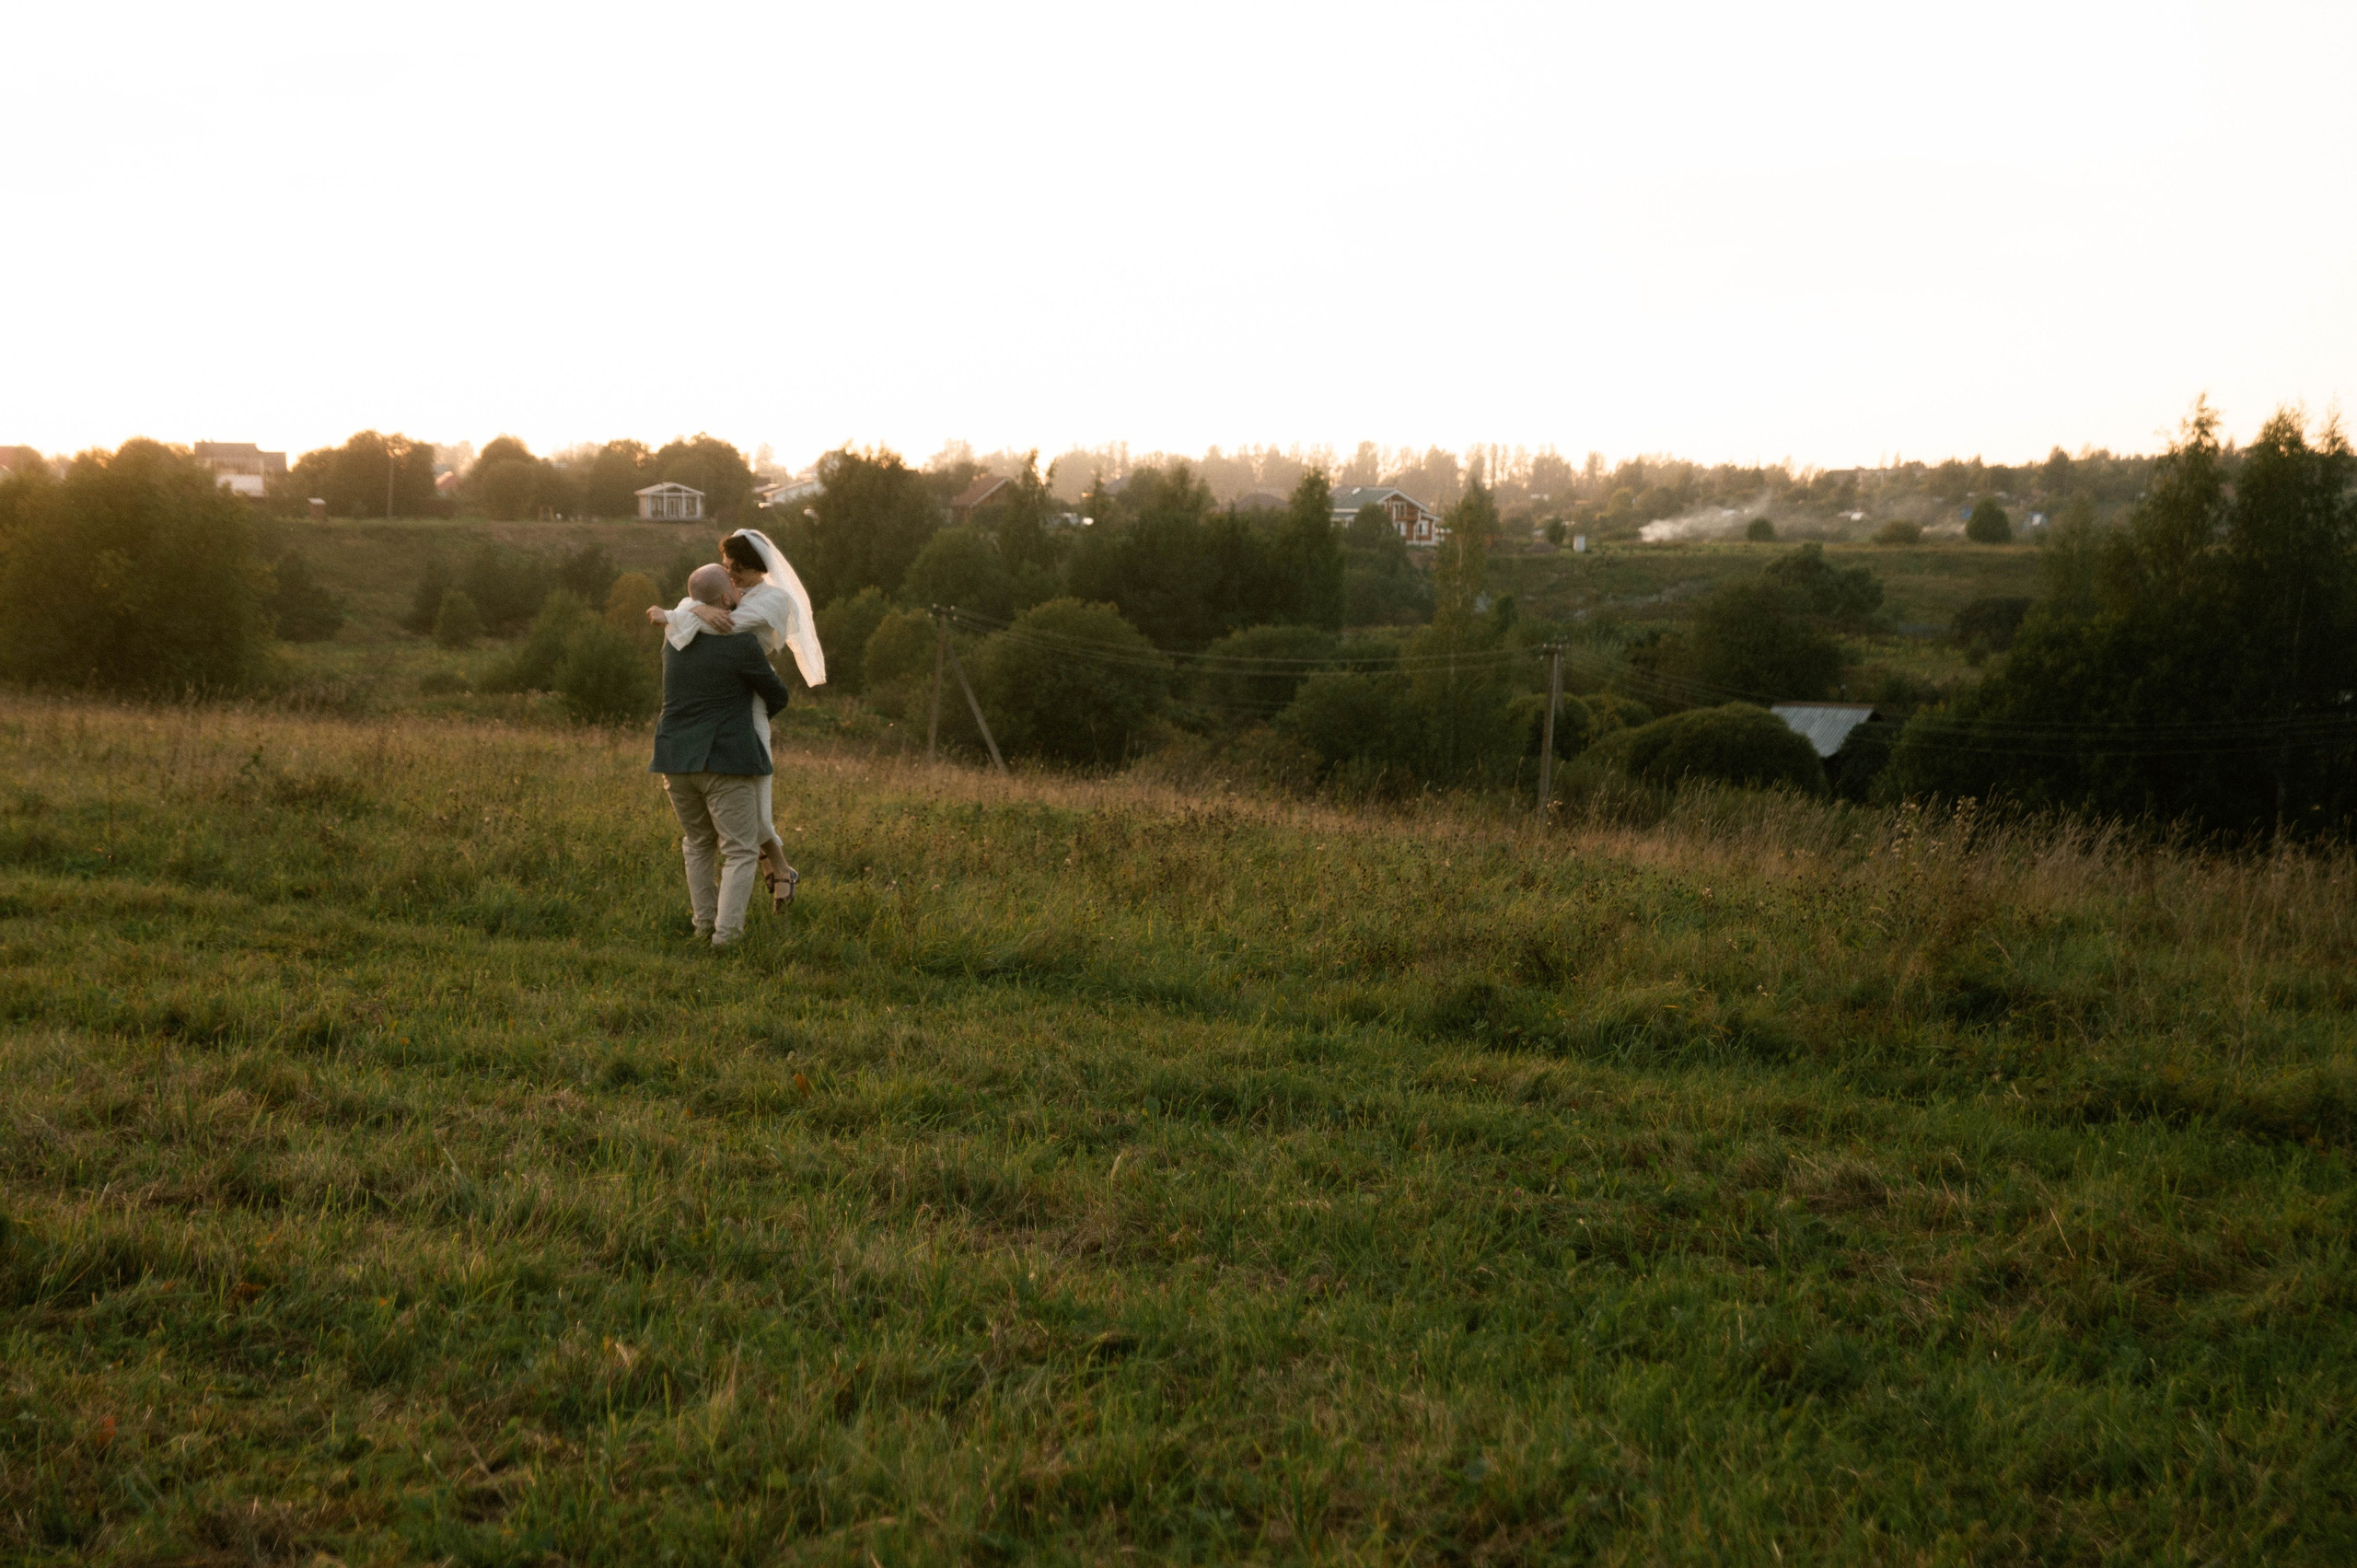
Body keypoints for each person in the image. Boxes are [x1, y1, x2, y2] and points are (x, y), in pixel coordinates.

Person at [652, 528, 824, 910]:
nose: (731, 577)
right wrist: (696, 608)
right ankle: (779, 867)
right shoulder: (728, 596)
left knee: (756, 805)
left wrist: (691, 610)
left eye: (739, 571)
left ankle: (777, 866)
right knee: (735, 812)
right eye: (727, 569)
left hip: (750, 705)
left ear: (759, 569)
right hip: (722, 699)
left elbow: (717, 625)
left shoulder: (774, 600)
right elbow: (689, 616)